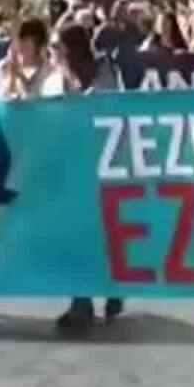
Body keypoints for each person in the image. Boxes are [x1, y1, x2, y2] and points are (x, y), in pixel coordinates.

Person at [45, 23, 126, 332]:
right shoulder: (53, 81)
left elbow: (110, 112)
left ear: (70, 50)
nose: (50, 53)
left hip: (100, 166)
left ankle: (113, 286)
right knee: (73, 235)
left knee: (101, 234)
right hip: (68, 169)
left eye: (55, 47)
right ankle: (81, 301)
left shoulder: (104, 77)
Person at [0, 18, 51, 101]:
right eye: (16, 41)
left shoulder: (51, 72)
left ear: (40, 46)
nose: (18, 47)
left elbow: (36, 102)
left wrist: (19, 76)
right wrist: (12, 77)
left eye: (25, 45)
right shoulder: (3, 67)